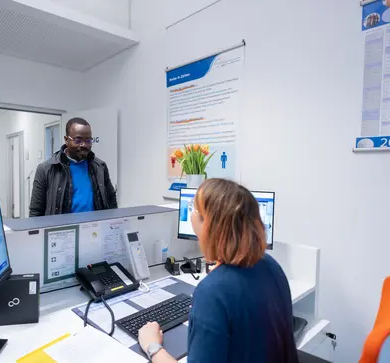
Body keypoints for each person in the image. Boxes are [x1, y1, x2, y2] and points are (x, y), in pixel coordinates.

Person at [138, 179, 298, 363]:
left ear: (210, 226)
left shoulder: (213, 291)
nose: (191, 215)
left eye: (194, 209)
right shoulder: (270, 264)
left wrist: (152, 346)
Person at [29, 117, 117, 217]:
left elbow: (111, 200)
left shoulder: (100, 167)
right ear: (66, 140)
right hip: (61, 231)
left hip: (95, 230)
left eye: (88, 141)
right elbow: (36, 211)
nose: (84, 145)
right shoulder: (46, 169)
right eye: (78, 140)